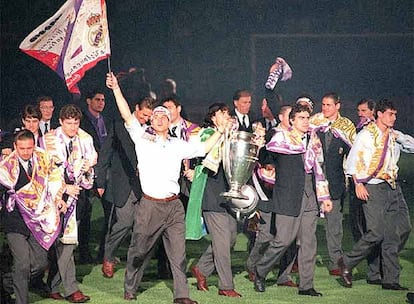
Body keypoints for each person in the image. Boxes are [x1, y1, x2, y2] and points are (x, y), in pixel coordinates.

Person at [106, 72, 230, 304]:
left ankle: (181, 295)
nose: (159, 118)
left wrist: (221, 132)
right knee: (139, 251)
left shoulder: (178, 144)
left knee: (178, 254)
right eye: (156, 116)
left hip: (173, 207)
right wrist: (115, 89)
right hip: (150, 205)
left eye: (164, 116)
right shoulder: (142, 138)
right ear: (151, 121)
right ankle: (130, 288)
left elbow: (203, 148)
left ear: (169, 121)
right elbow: (125, 113)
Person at [253, 103, 333, 297]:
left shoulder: (314, 140)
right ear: (292, 121)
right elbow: (265, 156)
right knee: (283, 240)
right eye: (301, 118)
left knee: (308, 242)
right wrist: (260, 144)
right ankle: (260, 271)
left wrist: (325, 196)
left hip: (310, 195)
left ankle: (306, 285)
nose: (306, 122)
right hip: (287, 195)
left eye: (307, 118)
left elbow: (319, 168)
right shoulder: (281, 138)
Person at [338, 99, 413, 291]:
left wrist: (399, 138)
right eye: (390, 114)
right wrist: (358, 184)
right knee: (377, 232)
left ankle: (388, 277)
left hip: (392, 186)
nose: (393, 118)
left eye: (395, 114)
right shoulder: (366, 135)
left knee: (401, 229)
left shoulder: (393, 135)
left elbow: (412, 146)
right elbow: (353, 161)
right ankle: (347, 262)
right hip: (373, 186)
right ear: (379, 114)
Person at [0, 130, 65, 304]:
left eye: (29, 148)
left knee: (40, 264)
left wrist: (58, 198)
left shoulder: (42, 160)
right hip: (15, 222)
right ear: (15, 146)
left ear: (34, 146)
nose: (26, 152)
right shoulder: (6, 167)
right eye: (22, 148)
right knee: (22, 263)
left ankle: (5, 282)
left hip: (39, 220)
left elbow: (53, 180)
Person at [190, 103, 247, 298]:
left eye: (227, 113)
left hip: (228, 194)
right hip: (211, 193)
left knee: (230, 239)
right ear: (213, 117)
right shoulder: (206, 134)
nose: (227, 116)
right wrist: (224, 135)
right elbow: (207, 154)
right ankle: (226, 286)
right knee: (222, 242)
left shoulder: (230, 136)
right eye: (223, 113)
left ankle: (201, 268)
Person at [44, 104, 97, 302]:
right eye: (69, 123)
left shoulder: (85, 138)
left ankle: (55, 285)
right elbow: (45, 171)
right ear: (60, 122)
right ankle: (68, 288)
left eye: (76, 123)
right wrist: (64, 188)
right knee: (60, 243)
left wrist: (87, 169)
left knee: (67, 243)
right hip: (54, 197)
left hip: (77, 197)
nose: (73, 127)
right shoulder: (49, 139)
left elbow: (91, 163)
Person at [97, 96, 154, 278]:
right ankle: (108, 256)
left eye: (148, 117)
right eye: (144, 115)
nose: (146, 119)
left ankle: (134, 263)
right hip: (122, 183)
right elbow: (105, 153)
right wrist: (100, 181)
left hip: (144, 186)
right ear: (136, 107)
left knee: (142, 227)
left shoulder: (152, 130)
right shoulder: (119, 125)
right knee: (124, 223)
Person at [246, 104, 298, 288]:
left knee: (290, 238)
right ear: (283, 118)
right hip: (266, 190)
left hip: (287, 193)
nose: (295, 119)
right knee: (266, 235)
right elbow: (262, 161)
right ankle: (253, 266)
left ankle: (284, 276)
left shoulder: (297, 137)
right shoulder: (271, 135)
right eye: (291, 115)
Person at [310, 92, 356, 276]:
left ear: (338, 106)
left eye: (329, 105)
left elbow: (354, 154)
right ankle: (300, 260)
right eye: (323, 104)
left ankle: (335, 262)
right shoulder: (314, 122)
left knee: (334, 225)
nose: (325, 108)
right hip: (314, 181)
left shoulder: (347, 126)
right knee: (307, 223)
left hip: (335, 182)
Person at [79, 89, 110, 264]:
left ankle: (104, 252)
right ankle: (84, 252)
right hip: (88, 173)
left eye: (103, 100)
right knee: (85, 215)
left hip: (103, 173)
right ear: (88, 101)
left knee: (109, 213)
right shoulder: (83, 121)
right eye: (97, 99)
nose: (101, 103)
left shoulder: (102, 120)